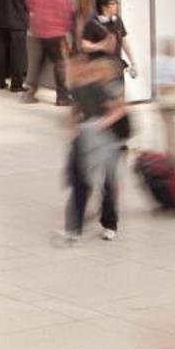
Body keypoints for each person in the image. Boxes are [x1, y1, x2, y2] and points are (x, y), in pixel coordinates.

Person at [58, 41, 126, 244]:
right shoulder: (79, 87)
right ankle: (74, 228)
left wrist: (101, 124)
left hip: (108, 141)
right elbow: (74, 110)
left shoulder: (111, 87)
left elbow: (120, 110)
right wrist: (73, 131)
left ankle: (109, 224)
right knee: (81, 182)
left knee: (107, 183)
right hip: (86, 139)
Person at [24, 0, 74, 104]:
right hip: (55, 32)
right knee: (59, 62)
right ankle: (62, 97)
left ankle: (31, 92)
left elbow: (29, 3)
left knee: (41, 61)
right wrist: (68, 33)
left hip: (39, 30)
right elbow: (67, 12)